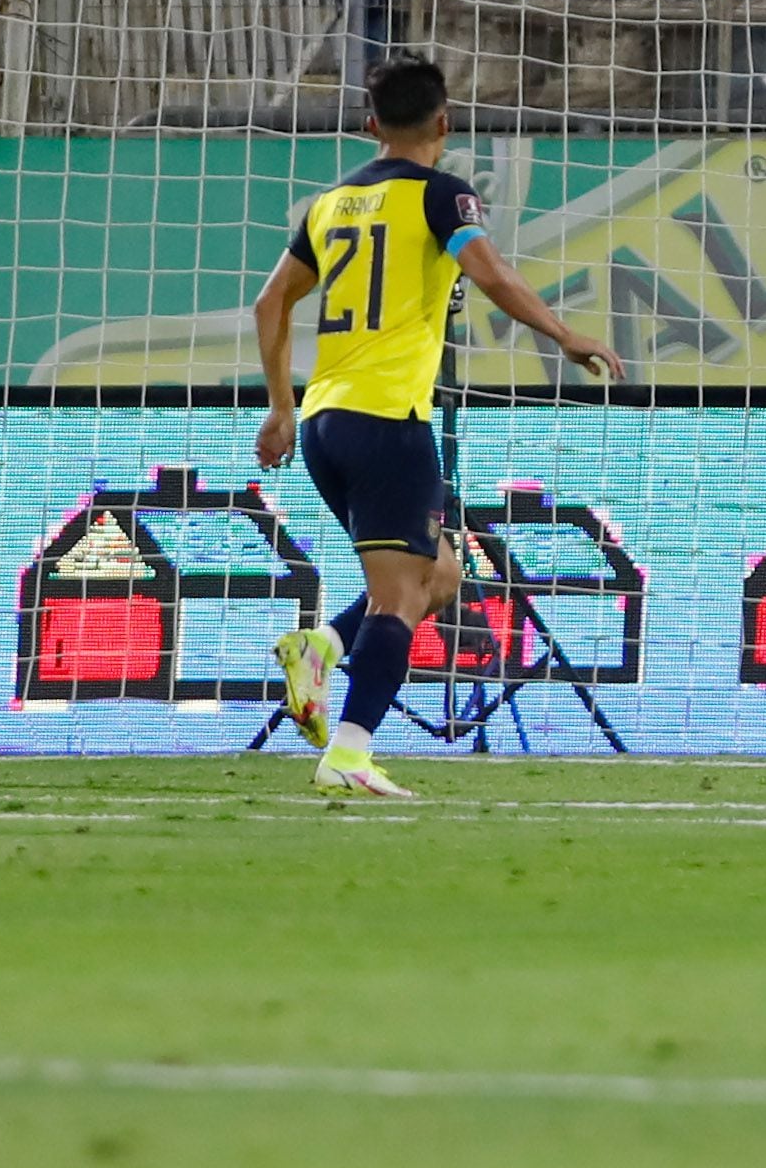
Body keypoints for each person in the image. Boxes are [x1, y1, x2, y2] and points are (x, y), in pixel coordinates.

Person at [249, 54, 623, 799]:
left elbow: (270, 305)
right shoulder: (444, 195)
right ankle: (349, 752)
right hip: (388, 420)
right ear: (445, 125)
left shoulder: (328, 205)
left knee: (440, 574)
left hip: (325, 420)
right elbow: (491, 274)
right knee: (399, 599)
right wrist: (563, 335)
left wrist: (282, 406)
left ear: (370, 124)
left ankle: (318, 647)